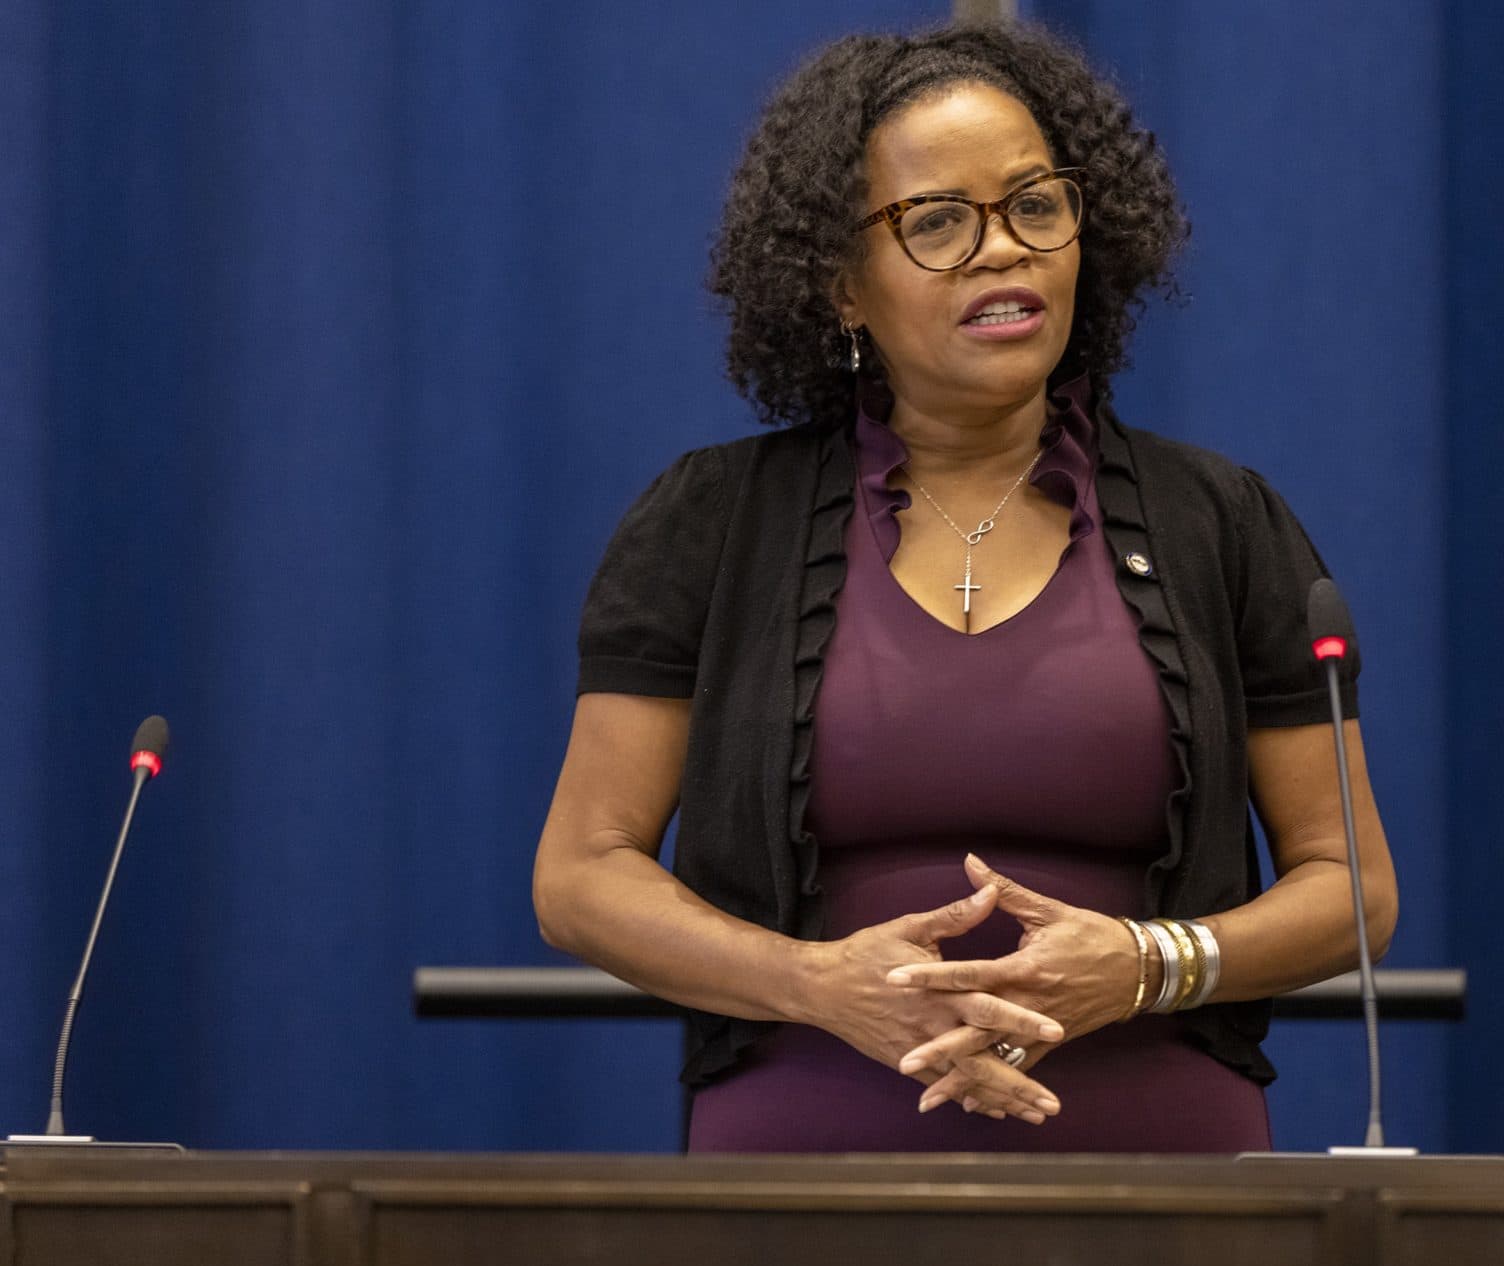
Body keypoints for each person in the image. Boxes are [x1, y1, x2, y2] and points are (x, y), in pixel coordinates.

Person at [532, 22, 1396, 1153]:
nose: (1006, 250)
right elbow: (581, 876)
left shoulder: (1219, 523)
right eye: (938, 221)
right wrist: (815, 982)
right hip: (805, 1159)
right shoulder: (712, 524)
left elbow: (1354, 888)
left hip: (1164, 1174)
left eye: (1038, 205)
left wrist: (1147, 961)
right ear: (840, 284)